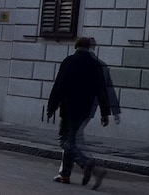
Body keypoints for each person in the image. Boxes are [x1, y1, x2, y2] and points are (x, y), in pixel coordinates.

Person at [46, 37, 110, 189]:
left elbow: (59, 86)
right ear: (89, 48)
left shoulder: (69, 61)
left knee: (64, 140)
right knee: (72, 140)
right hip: (85, 109)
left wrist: (51, 107)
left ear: (76, 46)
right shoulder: (95, 64)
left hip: (69, 108)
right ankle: (65, 175)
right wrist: (104, 113)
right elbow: (102, 91)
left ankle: (87, 164)